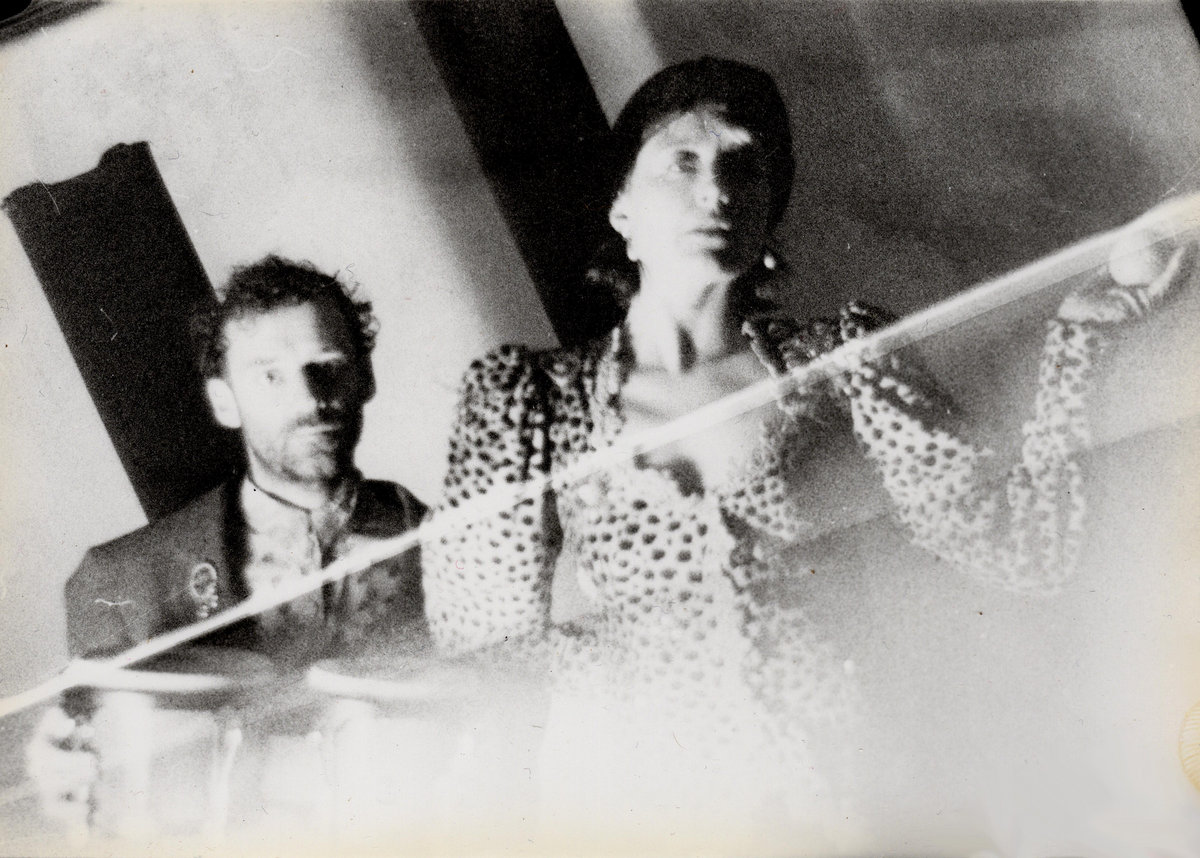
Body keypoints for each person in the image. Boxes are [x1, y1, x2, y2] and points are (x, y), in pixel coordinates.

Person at [420, 57, 1194, 848]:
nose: (716, 191)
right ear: (621, 207)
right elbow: (485, 667)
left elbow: (1023, 551)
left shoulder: (845, 362)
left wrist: (1084, 333)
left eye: (745, 168)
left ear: (770, 214)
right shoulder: (530, 403)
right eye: (683, 162)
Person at [28, 254, 429, 835]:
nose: (310, 398)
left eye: (328, 366)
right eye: (271, 376)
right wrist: (60, 770)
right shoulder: (119, 579)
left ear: (365, 378)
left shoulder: (447, 543)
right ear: (223, 401)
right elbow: (96, 794)